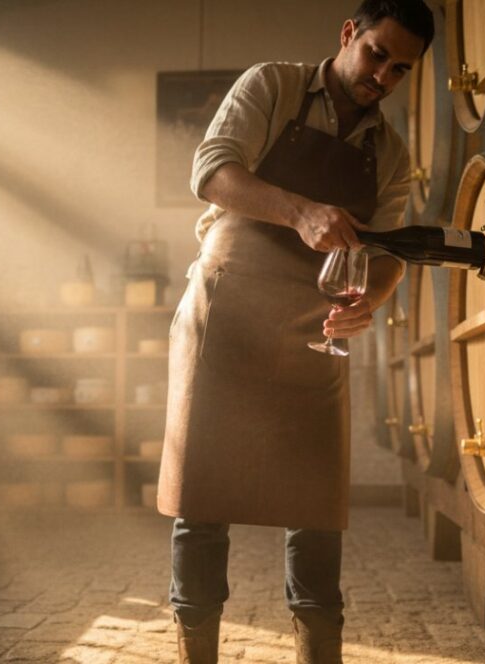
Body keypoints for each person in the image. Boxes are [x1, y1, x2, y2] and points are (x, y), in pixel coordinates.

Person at [157, 2, 433, 662]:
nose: (383, 77)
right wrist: (300, 212)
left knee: (316, 514)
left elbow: (389, 251)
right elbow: (211, 171)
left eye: (401, 69)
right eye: (375, 55)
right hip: (227, 311)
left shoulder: (389, 154)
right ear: (348, 34)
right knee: (203, 507)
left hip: (317, 328)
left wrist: (371, 300)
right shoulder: (271, 84)